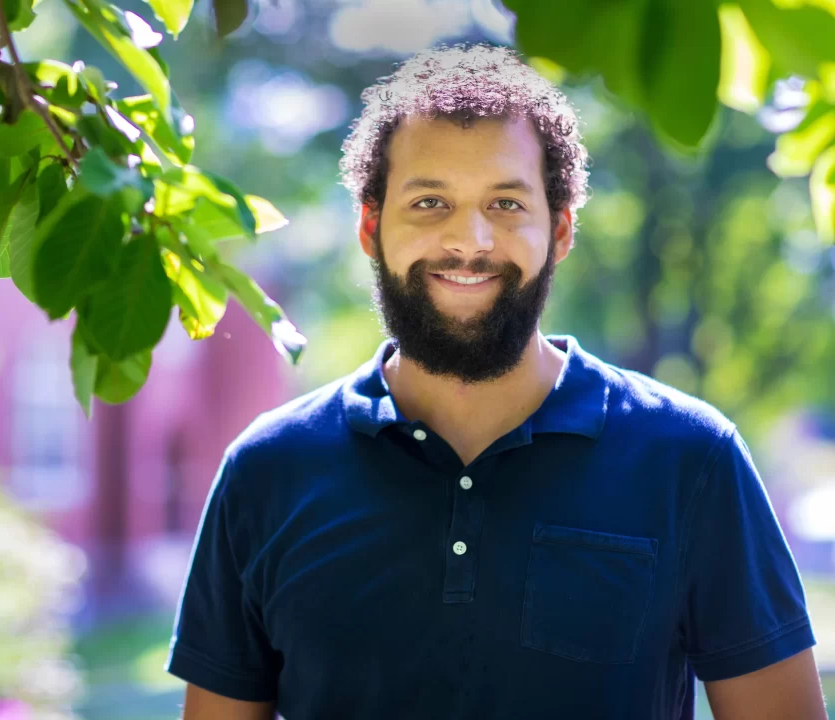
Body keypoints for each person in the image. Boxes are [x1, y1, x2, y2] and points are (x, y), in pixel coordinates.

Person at [165, 42, 827, 719]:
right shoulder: (267, 471)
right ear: (371, 226)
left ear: (560, 230)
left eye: (506, 204)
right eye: (429, 202)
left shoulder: (691, 458)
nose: (469, 241)